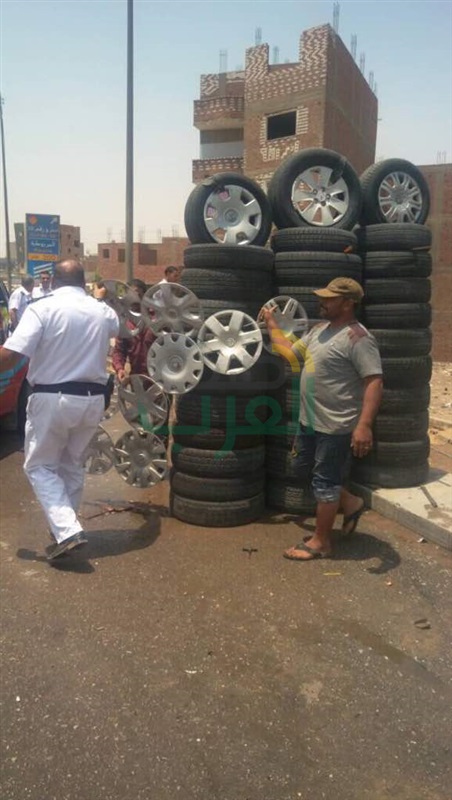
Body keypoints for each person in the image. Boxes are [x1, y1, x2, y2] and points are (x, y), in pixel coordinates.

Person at [0, 259, 119, 561]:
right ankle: (64, 530)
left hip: (53, 398)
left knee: (39, 466)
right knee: (71, 464)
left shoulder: (43, 308)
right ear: (83, 282)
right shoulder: (102, 311)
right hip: (93, 399)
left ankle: (67, 531)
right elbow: (120, 328)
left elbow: (12, 355)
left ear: (53, 281)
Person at [261, 277, 383, 562]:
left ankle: (321, 542)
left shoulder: (358, 338)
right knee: (302, 468)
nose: (322, 302)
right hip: (309, 421)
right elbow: (290, 354)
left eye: (329, 298)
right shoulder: (319, 331)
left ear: (348, 303)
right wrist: (271, 322)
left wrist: (363, 425)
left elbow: (374, 381)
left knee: (325, 483)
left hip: (336, 426)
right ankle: (351, 502)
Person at [111, 290, 156, 382]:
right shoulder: (126, 324)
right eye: (130, 295)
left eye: (136, 294)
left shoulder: (157, 320)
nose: (133, 298)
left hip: (159, 382)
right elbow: (119, 350)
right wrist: (120, 368)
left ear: (144, 296)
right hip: (136, 381)